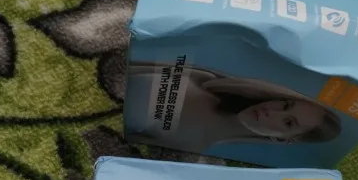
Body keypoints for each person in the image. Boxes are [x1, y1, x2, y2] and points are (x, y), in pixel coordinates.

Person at [126, 62, 341, 153]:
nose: (272, 111)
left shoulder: (193, 143)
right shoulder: (205, 80)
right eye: (285, 105)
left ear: (286, 139)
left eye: (288, 122)